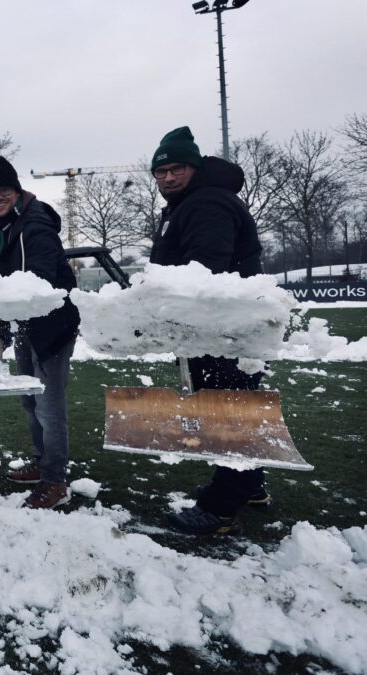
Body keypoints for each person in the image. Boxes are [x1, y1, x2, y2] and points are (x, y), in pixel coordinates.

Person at [148, 126, 270, 536]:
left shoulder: (206, 204)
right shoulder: (190, 203)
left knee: (226, 414)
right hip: (218, 329)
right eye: (160, 172)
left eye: (176, 169)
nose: (167, 178)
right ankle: (249, 486)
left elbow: (205, 270)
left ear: (195, 168)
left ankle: (219, 510)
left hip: (221, 331)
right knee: (234, 408)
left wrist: (164, 303)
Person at [0, 156, 80, 509]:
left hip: (51, 327)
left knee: (49, 407)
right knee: (29, 399)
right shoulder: (0, 229)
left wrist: (6, 321)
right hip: (25, 326)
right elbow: (3, 286)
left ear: (16, 190)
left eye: (4, 190)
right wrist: (0, 330)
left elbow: (37, 284)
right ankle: (41, 462)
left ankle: (55, 480)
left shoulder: (34, 226)